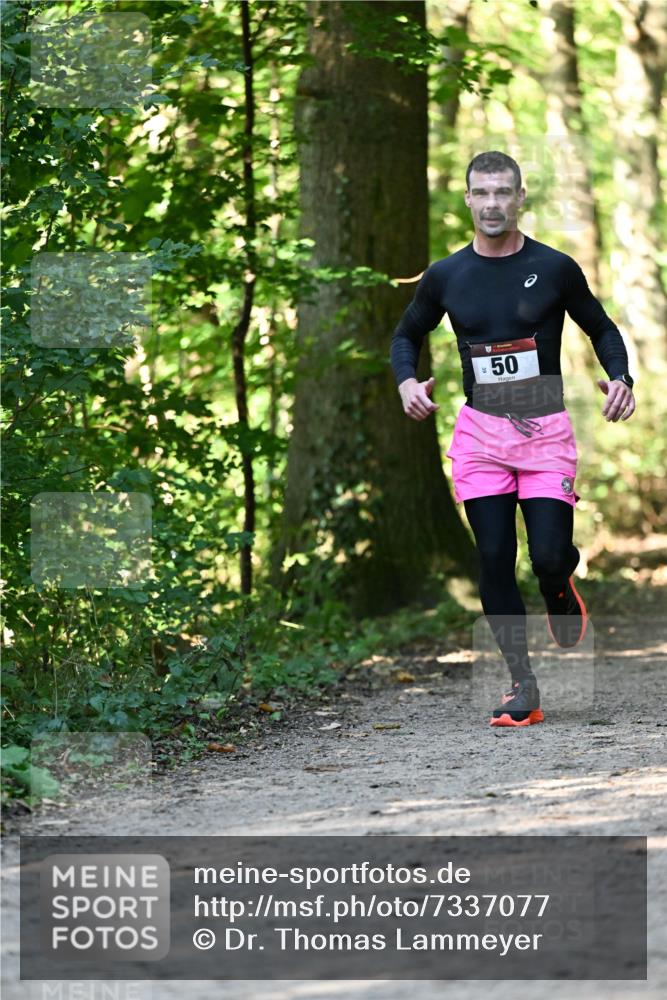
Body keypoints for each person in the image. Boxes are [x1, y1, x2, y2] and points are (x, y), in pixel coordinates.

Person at [390, 150, 635, 728]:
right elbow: (407, 334)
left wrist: (621, 378)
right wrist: (406, 383)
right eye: (483, 193)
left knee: (549, 555)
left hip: (545, 431)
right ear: (469, 199)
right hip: (480, 435)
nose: (493, 203)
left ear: (520, 198)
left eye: (504, 192)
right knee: (494, 556)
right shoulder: (446, 276)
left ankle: (558, 586)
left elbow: (601, 327)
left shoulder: (554, 268)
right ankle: (522, 684)